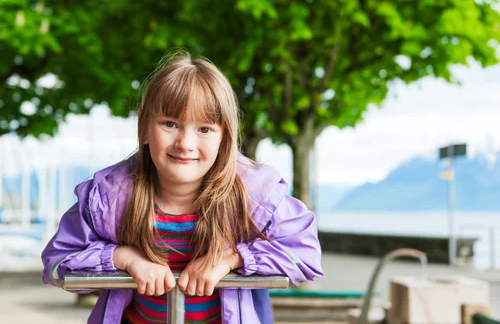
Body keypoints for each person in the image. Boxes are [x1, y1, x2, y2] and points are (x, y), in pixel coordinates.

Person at [41, 49, 323, 324]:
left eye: (205, 129)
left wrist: (232, 259)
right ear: (144, 127)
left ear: (224, 137)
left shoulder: (254, 195)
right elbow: (56, 264)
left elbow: (305, 257)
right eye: (170, 123)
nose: (185, 143)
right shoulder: (108, 198)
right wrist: (124, 258)